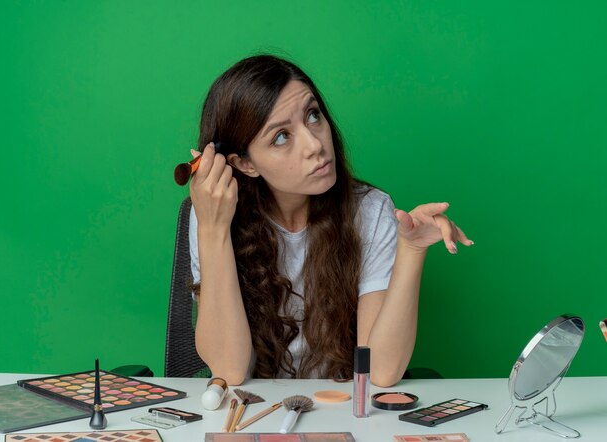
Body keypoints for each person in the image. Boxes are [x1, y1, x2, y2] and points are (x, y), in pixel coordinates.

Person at [188, 54, 472, 387]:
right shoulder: (212, 216)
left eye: (313, 115)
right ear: (245, 164)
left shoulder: (369, 211)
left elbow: (379, 371)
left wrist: (411, 249)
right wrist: (212, 229)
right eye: (281, 136)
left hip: (342, 410)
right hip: (251, 415)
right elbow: (230, 370)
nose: (315, 144)